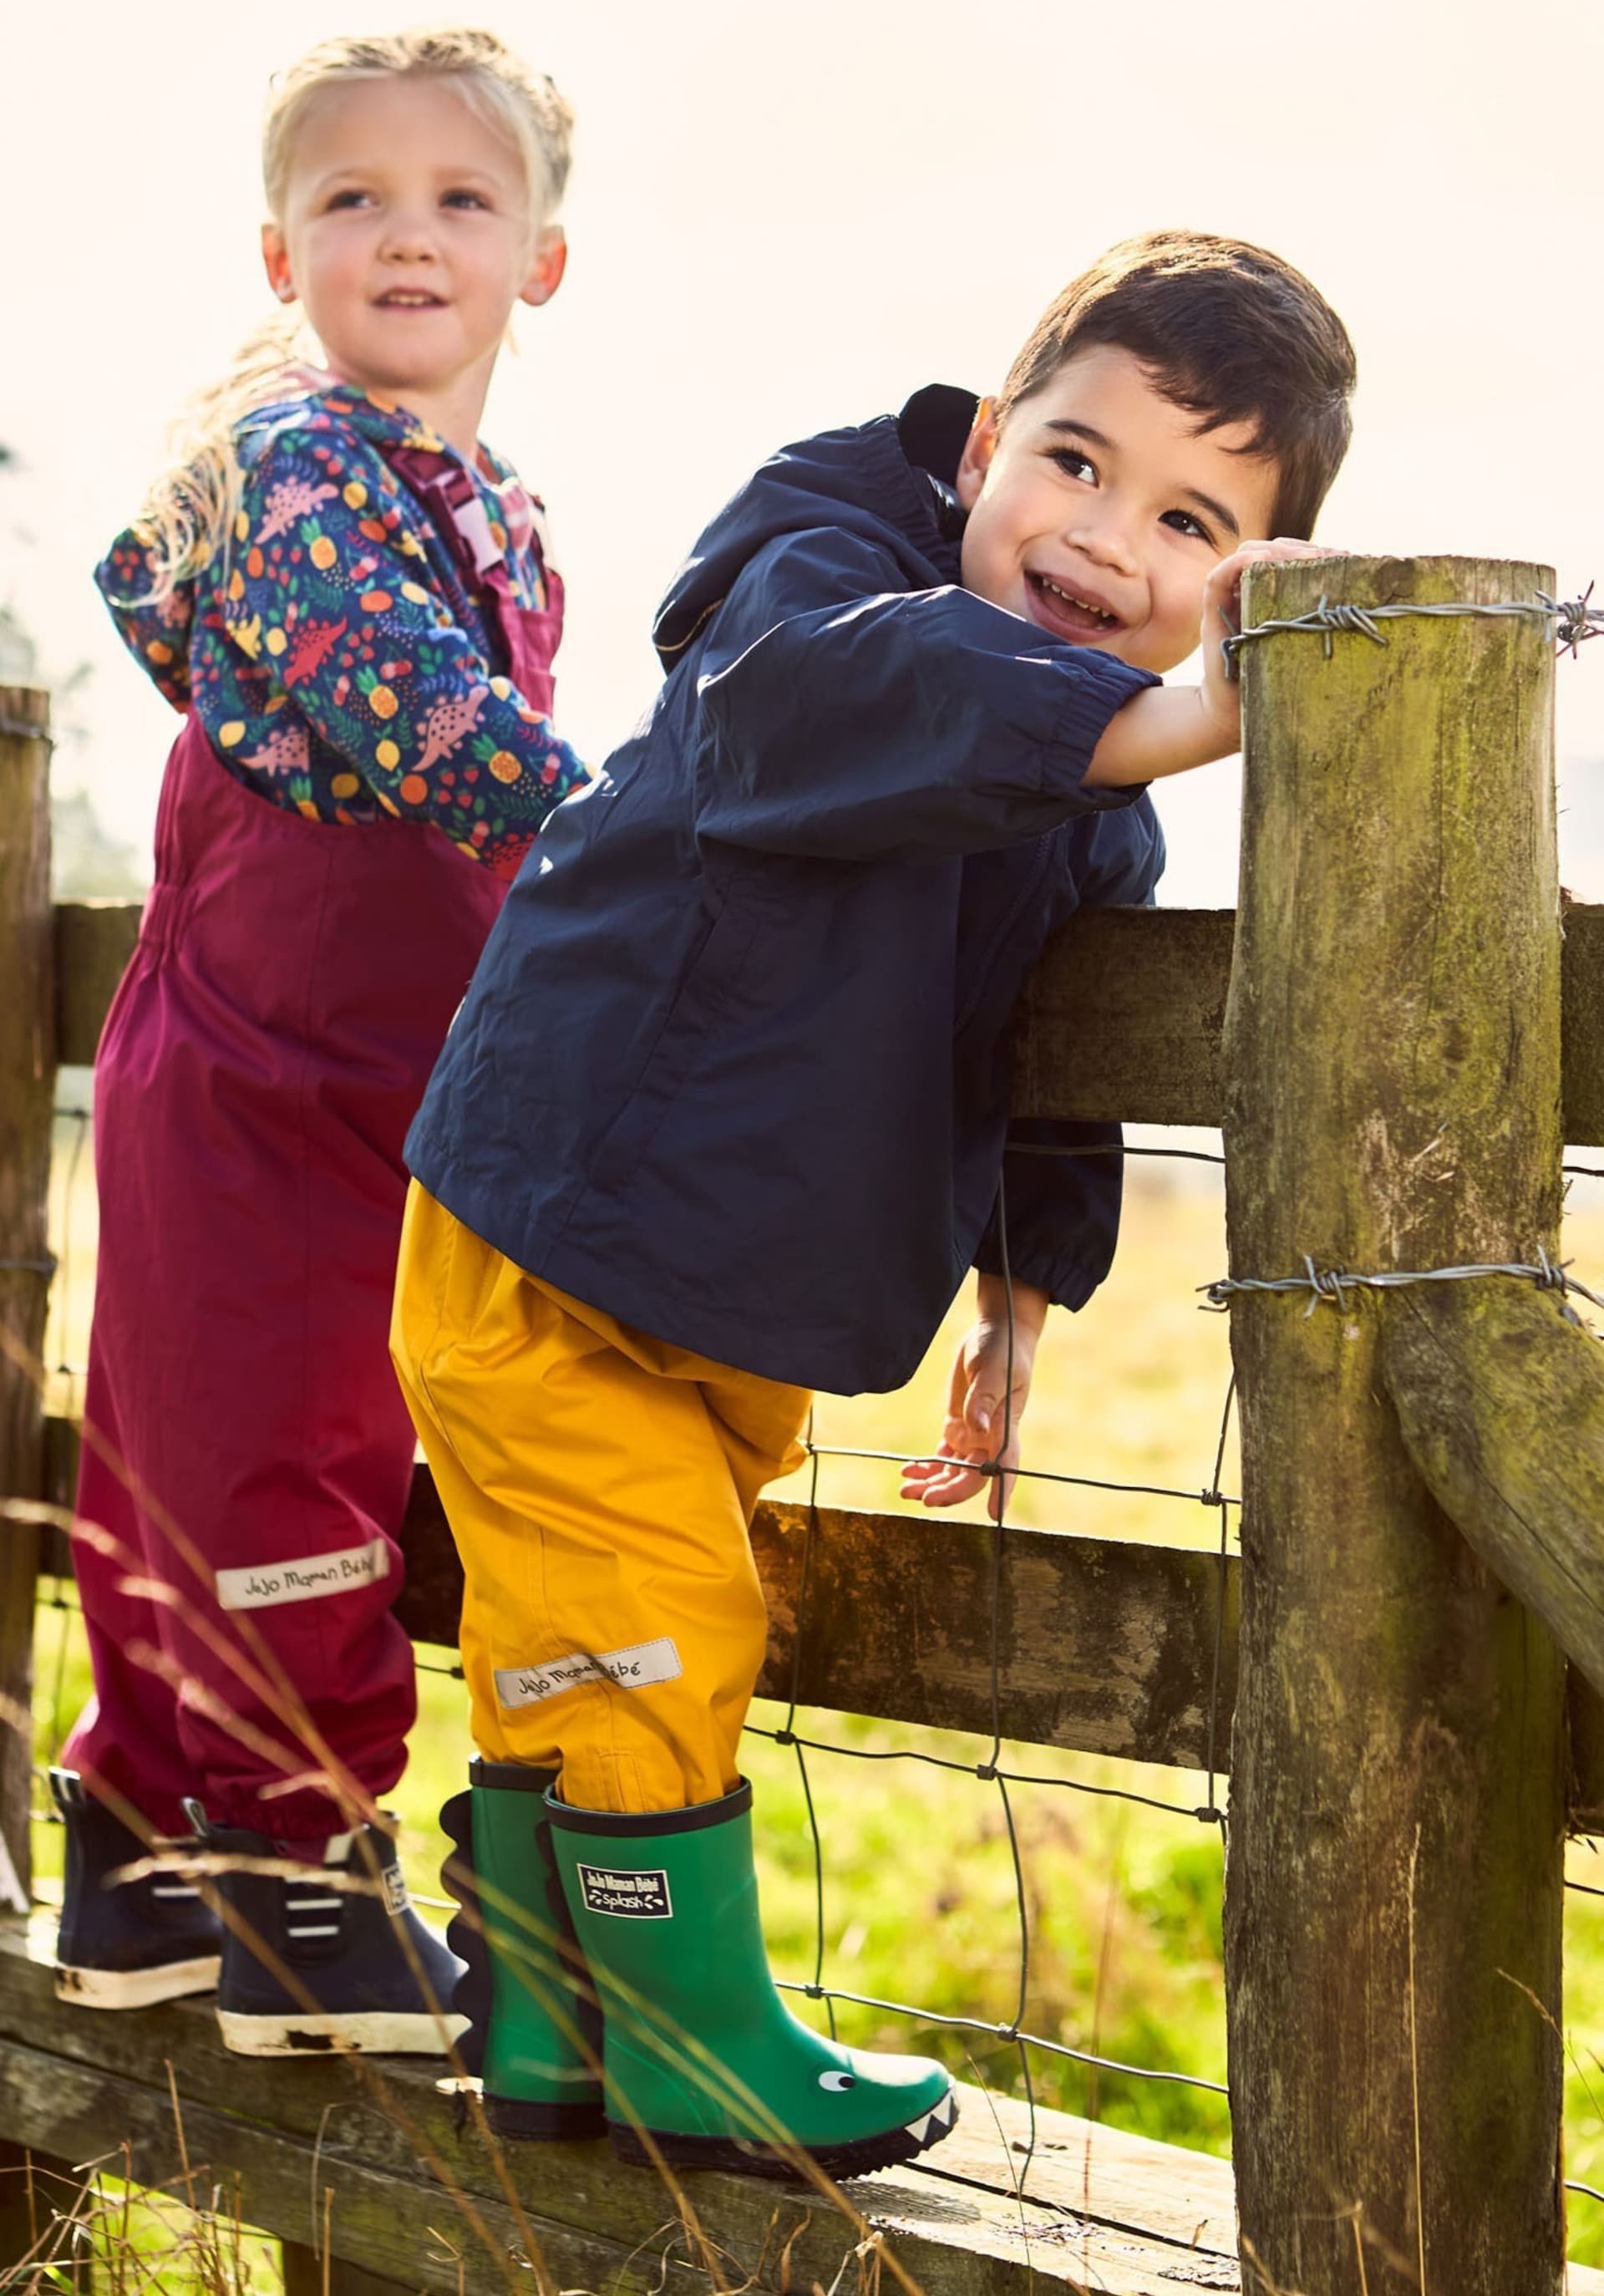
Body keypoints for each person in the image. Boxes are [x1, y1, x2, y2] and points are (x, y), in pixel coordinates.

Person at [396, 230, 1355, 2172]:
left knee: (579, 1626)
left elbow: (1044, 1061)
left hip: (744, 1295)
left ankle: (543, 2011)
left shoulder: (1095, 804)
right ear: (985, 440)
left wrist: (1018, 1308)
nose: (1105, 537)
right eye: (1075, 463)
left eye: (1190, 519)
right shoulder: (820, 572)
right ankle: (692, 2041)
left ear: (1239, 585)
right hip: (561, 1228)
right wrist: (1174, 720)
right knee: (654, 1623)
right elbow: (819, 707)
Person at [53, 27, 591, 2062]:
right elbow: (402, 708)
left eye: (461, 198)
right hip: (267, 1060)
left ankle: (140, 1856)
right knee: (274, 1450)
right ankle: (295, 1870)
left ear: (542, 262)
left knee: (236, 1434)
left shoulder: (500, 511)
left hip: (395, 1080)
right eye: (352, 197)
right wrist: (618, 846)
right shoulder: (302, 471)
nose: (407, 234)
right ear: (278, 251)